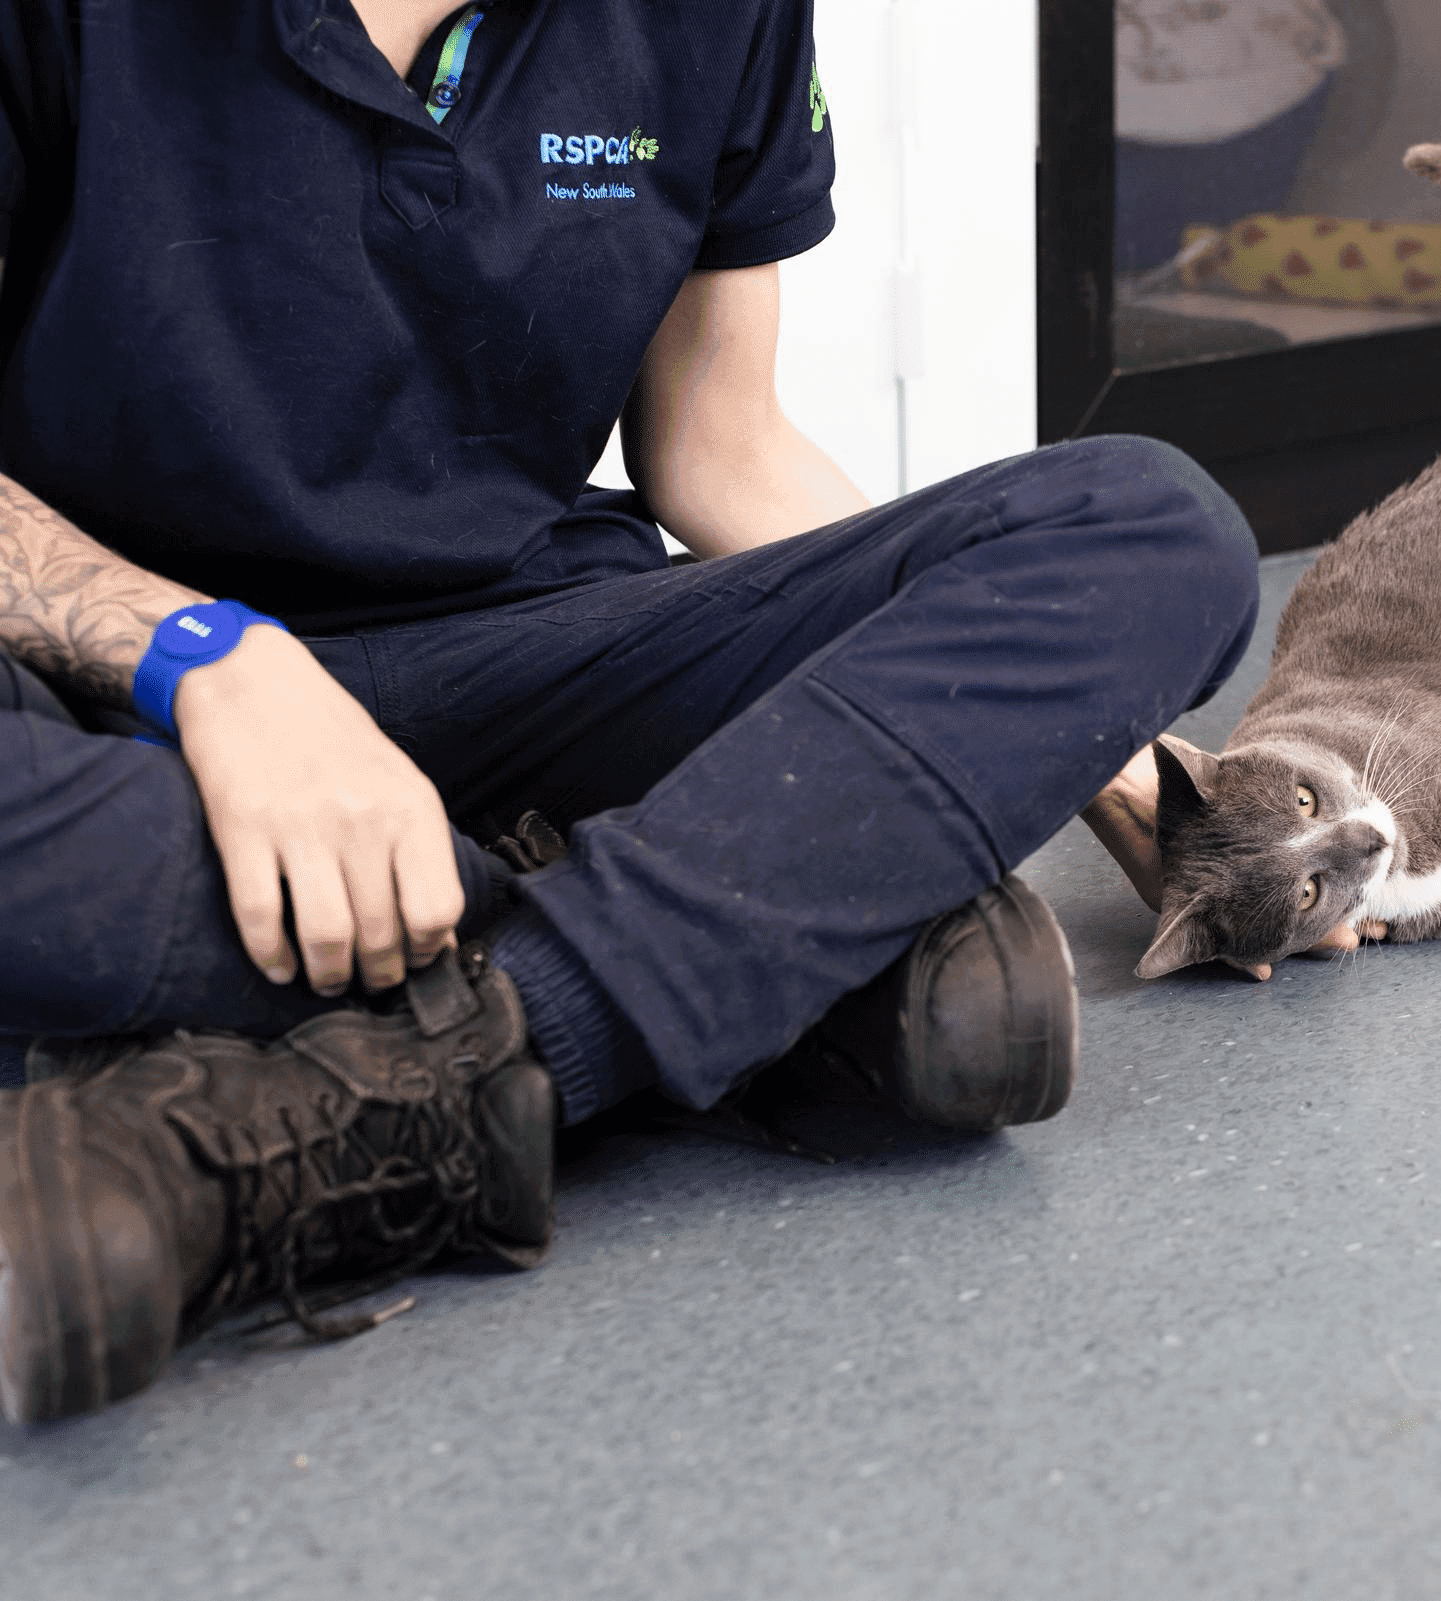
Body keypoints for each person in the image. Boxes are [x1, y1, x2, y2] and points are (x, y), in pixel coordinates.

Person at [0, 0, 1257, 1425]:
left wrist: (1117, 776)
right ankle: (740, 931)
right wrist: (207, 658)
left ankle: (459, 1073)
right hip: (120, 693)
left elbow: (719, 449)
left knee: (1149, 529)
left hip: (539, 660)